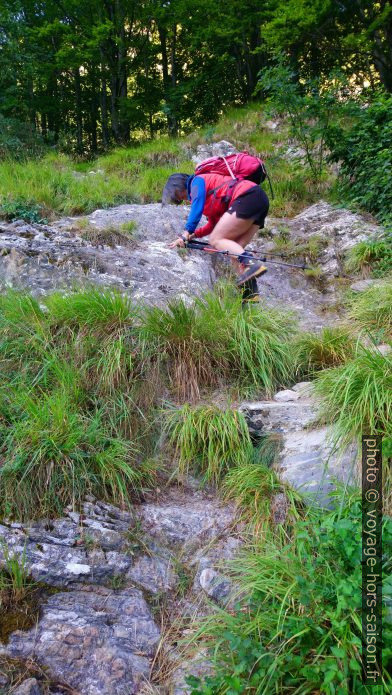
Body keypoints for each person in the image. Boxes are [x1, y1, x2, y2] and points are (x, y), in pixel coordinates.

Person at [162, 171, 269, 286]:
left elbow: (196, 207)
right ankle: (250, 293)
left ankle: (252, 264)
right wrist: (194, 235)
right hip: (259, 200)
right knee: (234, 249)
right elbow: (214, 225)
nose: (183, 199)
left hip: (247, 195)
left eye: (179, 195)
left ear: (180, 186)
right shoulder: (210, 196)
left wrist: (185, 234)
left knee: (215, 240)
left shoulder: (196, 182)